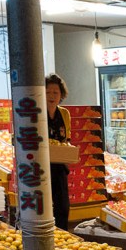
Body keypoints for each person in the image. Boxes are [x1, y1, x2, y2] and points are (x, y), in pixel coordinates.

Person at [45, 74, 73, 229]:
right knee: (44, 205)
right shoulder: (36, 114)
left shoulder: (64, 114)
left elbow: (66, 140)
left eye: (55, 92)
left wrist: (69, 151)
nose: (52, 96)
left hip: (59, 166)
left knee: (62, 205)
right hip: (41, 167)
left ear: (61, 94)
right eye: (48, 92)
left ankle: (62, 233)